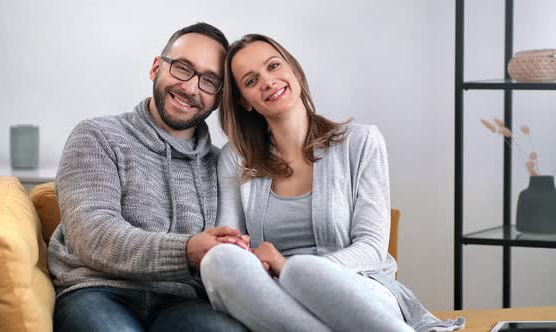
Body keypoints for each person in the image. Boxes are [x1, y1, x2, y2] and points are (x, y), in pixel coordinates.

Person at [200, 34, 466, 332]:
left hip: (359, 289)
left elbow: (372, 248)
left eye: (274, 66)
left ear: (294, 70)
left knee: (303, 270)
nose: (268, 81)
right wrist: (253, 260)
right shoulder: (236, 159)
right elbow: (231, 242)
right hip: (276, 298)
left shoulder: (362, 141)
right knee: (217, 260)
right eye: (251, 81)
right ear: (244, 102)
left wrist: (288, 267)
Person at [47, 23, 249, 332]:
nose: (191, 88)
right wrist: (187, 250)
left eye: (209, 81)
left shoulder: (221, 164)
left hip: (183, 303)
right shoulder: (98, 136)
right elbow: (93, 237)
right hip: (99, 293)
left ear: (219, 97)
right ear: (156, 67)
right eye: (183, 68)